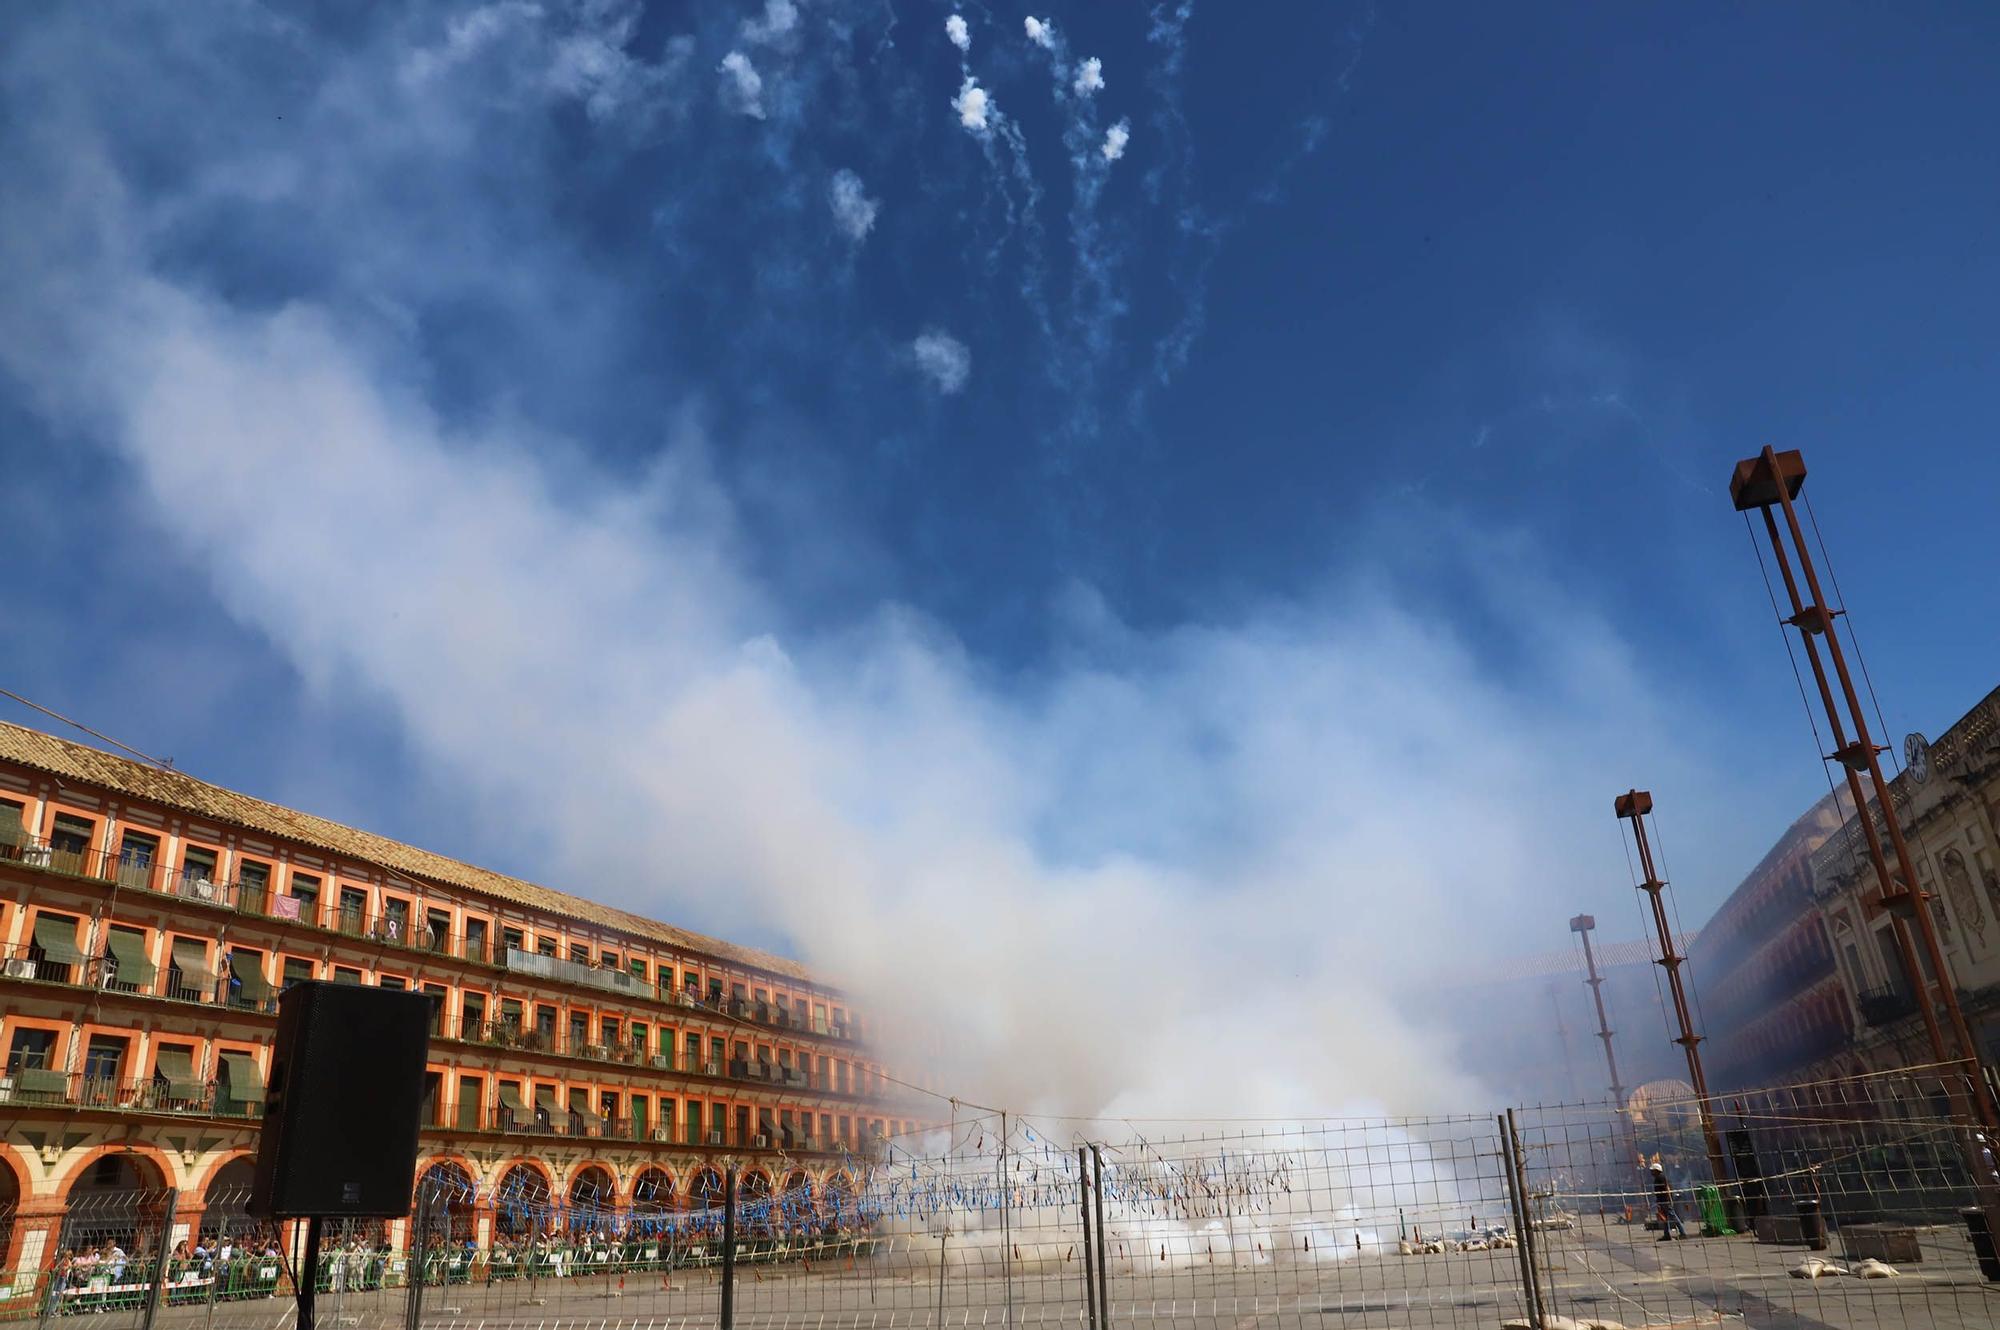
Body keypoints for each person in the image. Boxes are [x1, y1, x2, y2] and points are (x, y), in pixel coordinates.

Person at [1649, 1162, 1688, 1240]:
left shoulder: (1661, 1178)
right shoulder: (1658, 1178)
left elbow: (1667, 1188)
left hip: (1665, 1201)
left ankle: (1683, 1233)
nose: (1651, 1172)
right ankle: (1666, 1235)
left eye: (1652, 1170)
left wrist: (1669, 1199)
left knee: (1673, 1217)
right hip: (1662, 1201)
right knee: (1665, 1218)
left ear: (1657, 1170)